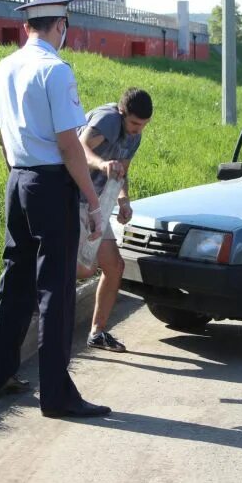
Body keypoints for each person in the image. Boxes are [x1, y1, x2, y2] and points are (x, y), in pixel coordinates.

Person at [0, 0, 110, 419]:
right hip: (51, 183)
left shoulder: (5, 67)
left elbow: (3, 135)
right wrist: (92, 202)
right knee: (55, 287)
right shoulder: (56, 71)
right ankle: (57, 395)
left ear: (26, 28)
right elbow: (69, 145)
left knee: (15, 276)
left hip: (17, 178)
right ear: (61, 27)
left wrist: (18, 175)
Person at [76, 88, 153, 352]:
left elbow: (122, 171)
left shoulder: (135, 135)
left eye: (143, 125)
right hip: (73, 198)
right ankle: (36, 288)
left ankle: (97, 333)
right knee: (84, 269)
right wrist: (101, 164)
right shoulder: (108, 119)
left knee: (114, 266)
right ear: (122, 113)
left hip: (97, 203)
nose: (137, 130)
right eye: (134, 123)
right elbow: (79, 149)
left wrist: (123, 200)